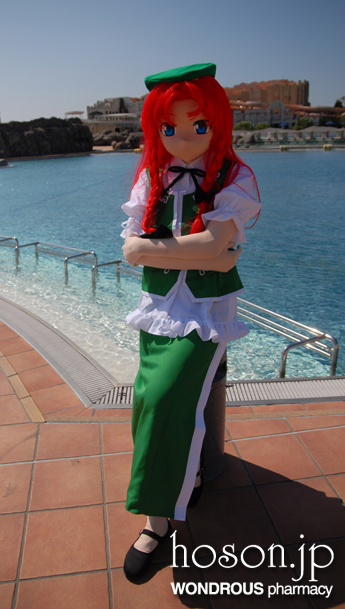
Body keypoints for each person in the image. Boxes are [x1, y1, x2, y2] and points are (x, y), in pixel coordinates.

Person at [120, 63, 261, 580]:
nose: (183, 138)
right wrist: (207, 254)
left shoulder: (235, 177)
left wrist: (152, 250)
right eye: (169, 127)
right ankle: (186, 481)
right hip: (156, 309)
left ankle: (155, 521)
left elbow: (212, 248)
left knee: (163, 401)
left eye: (198, 125)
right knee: (145, 402)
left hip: (205, 314)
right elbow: (136, 249)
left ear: (217, 123)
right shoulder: (150, 177)